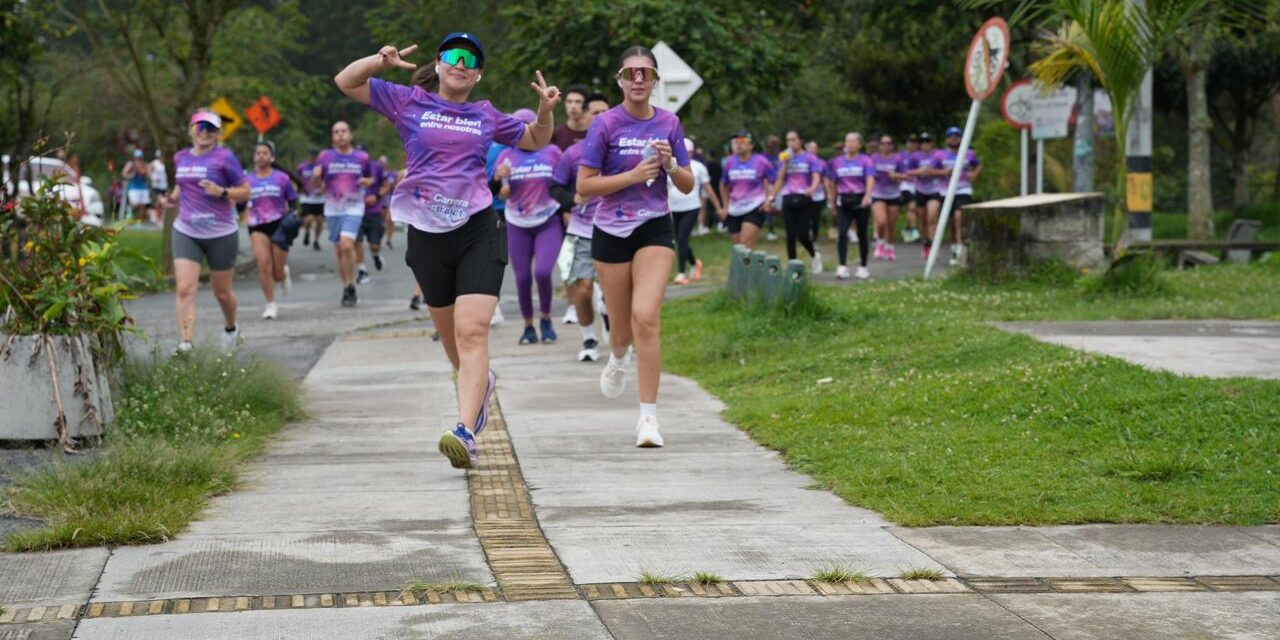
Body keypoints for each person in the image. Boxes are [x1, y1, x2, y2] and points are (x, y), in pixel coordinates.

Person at [335, 31, 561, 469]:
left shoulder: (486, 115)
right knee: (453, 342)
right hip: (426, 233)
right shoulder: (408, 101)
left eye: (471, 59)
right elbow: (346, 81)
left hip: (478, 230)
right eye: (453, 55)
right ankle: (481, 385)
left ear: (477, 75)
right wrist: (377, 61)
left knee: (472, 332)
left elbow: (535, 139)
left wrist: (545, 113)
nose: (461, 63)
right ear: (439, 65)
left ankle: (464, 431)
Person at [577, 45, 693, 448]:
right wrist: (631, 175)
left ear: (656, 80)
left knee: (646, 317)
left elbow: (687, 183)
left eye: (646, 73)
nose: (638, 79)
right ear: (620, 81)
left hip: (654, 227)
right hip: (610, 230)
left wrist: (671, 166)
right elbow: (584, 186)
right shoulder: (605, 125)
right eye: (631, 73)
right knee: (622, 326)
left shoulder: (669, 123)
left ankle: (648, 420)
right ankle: (616, 356)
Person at [168, 111, 250, 354]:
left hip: (221, 232)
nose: (204, 132)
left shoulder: (225, 158)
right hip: (187, 230)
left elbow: (245, 192)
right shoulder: (180, 157)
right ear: (192, 130)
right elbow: (181, 184)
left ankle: (230, 328)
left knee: (222, 293)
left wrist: (221, 192)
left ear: (218, 133)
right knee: (185, 288)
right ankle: (185, 344)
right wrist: (171, 199)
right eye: (200, 127)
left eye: (211, 128)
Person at [495, 108, 564, 345]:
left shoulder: (553, 152)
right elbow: (503, 194)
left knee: (543, 272)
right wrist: (500, 180)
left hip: (548, 220)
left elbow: (563, 184)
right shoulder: (506, 155)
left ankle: (545, 318)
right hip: (517, 223)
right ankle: (528, 327)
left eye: (523, 128)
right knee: (522, 278)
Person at [551, 93, 609, 361]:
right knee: (583, 288)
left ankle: (618, 333)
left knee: (616, 290)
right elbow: (555, 187)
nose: (600, 118)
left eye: (604, 112)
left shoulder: (620, 149)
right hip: (582, 230)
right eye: (594, 113)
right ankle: (588, 338)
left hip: (617, 228)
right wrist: (572, 199)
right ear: (585, 117)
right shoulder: (573, 153)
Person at [311, 121, 373, 307]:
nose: (340, 135)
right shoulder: (325, 157)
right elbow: (316, 186)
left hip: (354, 207)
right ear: (332, 136)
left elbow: (370, 178)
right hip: (332, 208)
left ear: (350, 134)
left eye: (343, 131)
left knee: (347, 245)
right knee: (339, 250)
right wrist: (315, 177)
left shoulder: (362, 157)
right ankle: (346, 286)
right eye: (336, 132)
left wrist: (366, 181)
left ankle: (352, 284)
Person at [244, 140, 297, 319]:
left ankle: (283, 273)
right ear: (254, 157)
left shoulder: (281, 178)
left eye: (264, 153)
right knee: (263, 264)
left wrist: (292, 216)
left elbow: (292, 199)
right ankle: (270, 305)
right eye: (258, 153)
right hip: (257, 225)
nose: (261, 156)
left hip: (279, 223)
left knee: (277, 273)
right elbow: (241, 201)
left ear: (272, 157)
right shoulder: (247, 180)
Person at [669, 138, 722, 285]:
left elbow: (708, 189)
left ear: (692, 152)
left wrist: (718, 207)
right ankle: (694, 264)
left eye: (689, 152)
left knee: (682, 238)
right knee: (680, 240)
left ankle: (680, 273)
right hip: (673, 208)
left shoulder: (698, 167)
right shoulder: (670, 165)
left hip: (691, 207)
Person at [928, 126, 982, 266]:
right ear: (947, 139)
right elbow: (929, 171)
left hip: (963, 190)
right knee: (949, 222)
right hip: (945, 191)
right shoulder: (939, 155)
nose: (954, 139)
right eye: (951, 136)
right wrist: (942, 173)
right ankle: (951, 248)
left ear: (960, 138)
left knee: (959, 218)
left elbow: (978, 165)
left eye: (956, 136)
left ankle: (960, 251)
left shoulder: (968, 153)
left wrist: (974, 174)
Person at [770, 130, 822, 273]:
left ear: (800, 141)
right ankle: (793, 267)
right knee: (790, 235)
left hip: (804, 198)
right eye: (788, 140)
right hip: (788, 197)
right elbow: (780, 178)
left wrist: (812, 188)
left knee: (803, 235)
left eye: (793, 139)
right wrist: (772, 196)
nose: (791, 143)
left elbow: (816, 176)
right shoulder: (784, 157)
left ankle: (814, 255)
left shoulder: (810, 158)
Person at [826, 132, 875, 280]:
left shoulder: (866, 160)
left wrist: (867, 195)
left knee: (861, 234)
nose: (849, 144)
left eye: (853, 141)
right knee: (842, 233)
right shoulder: (837, 161)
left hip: (861, 200)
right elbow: (833, 183)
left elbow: (870, 179)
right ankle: (842, 266)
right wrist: (832, 202)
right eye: (847, 141)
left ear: (859, 144)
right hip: (844, 200)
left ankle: (863, 266)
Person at [718, 131, 775, 250]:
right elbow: (723, 184)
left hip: (755, 207)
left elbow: (776, 180)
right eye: (736, 142)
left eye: (743, 142)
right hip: (734, 209)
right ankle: (755, 267)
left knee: (745, 245)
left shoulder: (761, 161)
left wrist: (769, 199)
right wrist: (725, 206)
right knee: (738, 249)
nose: (738, 145)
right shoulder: (730, 162)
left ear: (751, 145)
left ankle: (752, 266)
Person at [870, 134, 908, 261]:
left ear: (892, 146)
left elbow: (905, 176)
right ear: (880, 146)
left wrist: (896, 175)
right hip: (878, 194)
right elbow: (868, 174)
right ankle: (880, 242)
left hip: (893, 194)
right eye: (883, 143)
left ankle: (890, 247)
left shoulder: (897, 159)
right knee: (881, 221)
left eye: (889, 143)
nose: (886, 145)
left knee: (891, 224)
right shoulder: (874, 158)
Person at [355, 148, 391, 284]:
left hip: (374, 211)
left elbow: (387, 186)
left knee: (374, 245)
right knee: (356, 241)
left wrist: (376, 196)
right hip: (355, 212)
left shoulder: (377, 167)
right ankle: (362, 270)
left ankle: (376, 255)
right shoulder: (351, 168)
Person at [912, 132, 943, 259]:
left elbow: (945, 171)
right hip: (920, 190)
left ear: (931, 143)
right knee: (923, 220)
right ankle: (926, 243)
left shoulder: (938, 156)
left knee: (932, 217)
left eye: (928, 142)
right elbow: (907, 172)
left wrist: (932, 172)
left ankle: (933, 245)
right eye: (923, 142)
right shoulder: (915, 157)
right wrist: (918, 172)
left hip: (934, 190)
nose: (925, 144)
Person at [297, 150, 326, 250]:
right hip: (307, 198)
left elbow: (327, 179)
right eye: (310, 156)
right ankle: (307, 232)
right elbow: (298, 179)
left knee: (319, 221)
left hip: (320, 198)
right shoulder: (302, 167)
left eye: (314, 157)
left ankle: (316, 241)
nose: (312, 158)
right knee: (308, 219)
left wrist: (324, 187)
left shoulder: (322, 167)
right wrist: (299, 190)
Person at [550, 85, 591, 150]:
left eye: (578, 102)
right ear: (565, 104)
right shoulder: (556, 134)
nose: (573, 106)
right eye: (569, 101)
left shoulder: (594, 133)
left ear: (587, 105)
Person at [804, 140, 828, 245]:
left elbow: (826, 179)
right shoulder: (802, 162)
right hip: (805, 193)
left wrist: (829, 193)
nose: (813, 150)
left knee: (815, 217)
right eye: (811, 148)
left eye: (815, 148)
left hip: (818, 194)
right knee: (806, 216)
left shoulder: (822, 163)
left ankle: (814, 238)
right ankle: (805, 236)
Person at [900, 134, 921, 244]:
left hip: (918, 185)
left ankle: (908, 229)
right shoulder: (901, 156)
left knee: (917, 210)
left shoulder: (920, 156)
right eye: (910, 142)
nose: (912, 144)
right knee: (912, 206)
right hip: (906, 185)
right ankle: (913, 229)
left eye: (914, 142)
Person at [122, 149, 153, 222]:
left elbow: (149, 175)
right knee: (135, 204)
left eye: (140, 157)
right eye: (137, 157)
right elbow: (124, 174)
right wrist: (130, 175)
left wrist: (150, 172)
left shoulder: (145, 165)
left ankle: (139, 221)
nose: (139, 159)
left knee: (143, 205)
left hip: (143, 187)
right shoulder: (131, 164)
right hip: (133, 187)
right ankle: (128, 214)